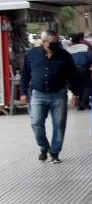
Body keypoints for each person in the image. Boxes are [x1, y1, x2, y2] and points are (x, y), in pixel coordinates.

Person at [20, 29, 75, 163]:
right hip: (38, 94)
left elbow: (72, 74)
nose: (56, 44)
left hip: (59, 94)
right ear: (44, 42)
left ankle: (54, 153)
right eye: (53, 42)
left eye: (57, 42)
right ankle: (44, 147)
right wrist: (23, 93)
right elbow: (25, 74)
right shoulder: (32, 54)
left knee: (59, 125)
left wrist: (75, 93)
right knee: (36, 123)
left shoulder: (64, 55)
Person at [65, 32, 92, 110]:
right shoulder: (84, 47)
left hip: (73, 70)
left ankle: (82, 102)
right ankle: (83, 103)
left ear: (72, 41)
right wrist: (91, 64)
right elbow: (90, 57)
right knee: (87, 85)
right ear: (80, 39)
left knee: (78, 86)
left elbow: (66, 61)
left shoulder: (68, 49)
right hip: (84, 68)